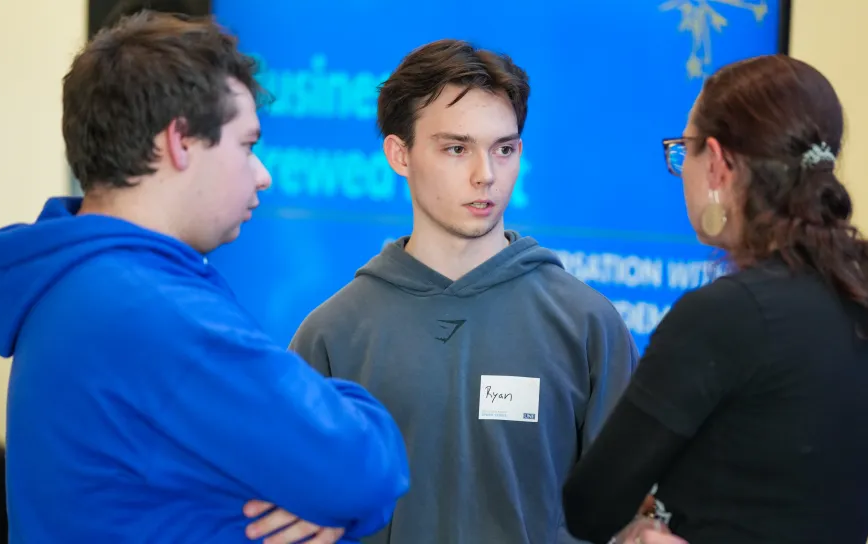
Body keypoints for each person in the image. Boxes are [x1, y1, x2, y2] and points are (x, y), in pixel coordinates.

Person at [0, 12, 409, 543]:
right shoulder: (154, 312)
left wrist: (321, 488)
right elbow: (364, 469)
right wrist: (344, 434)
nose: (262, 175)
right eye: (246, 146)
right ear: (179, 141)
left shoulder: (75, 281)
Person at [273, 39, 639, 544]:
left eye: (503, 149)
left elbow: (627, 518)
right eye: (456, 148)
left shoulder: (587, 326)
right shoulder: (332, 334)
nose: (485, 175)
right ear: (400, 154)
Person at [561, 54, 868, 544]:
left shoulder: (724, 315)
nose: (682, 170)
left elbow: (590, 506)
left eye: (685, 151)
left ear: (718, 164)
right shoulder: (866, 312)